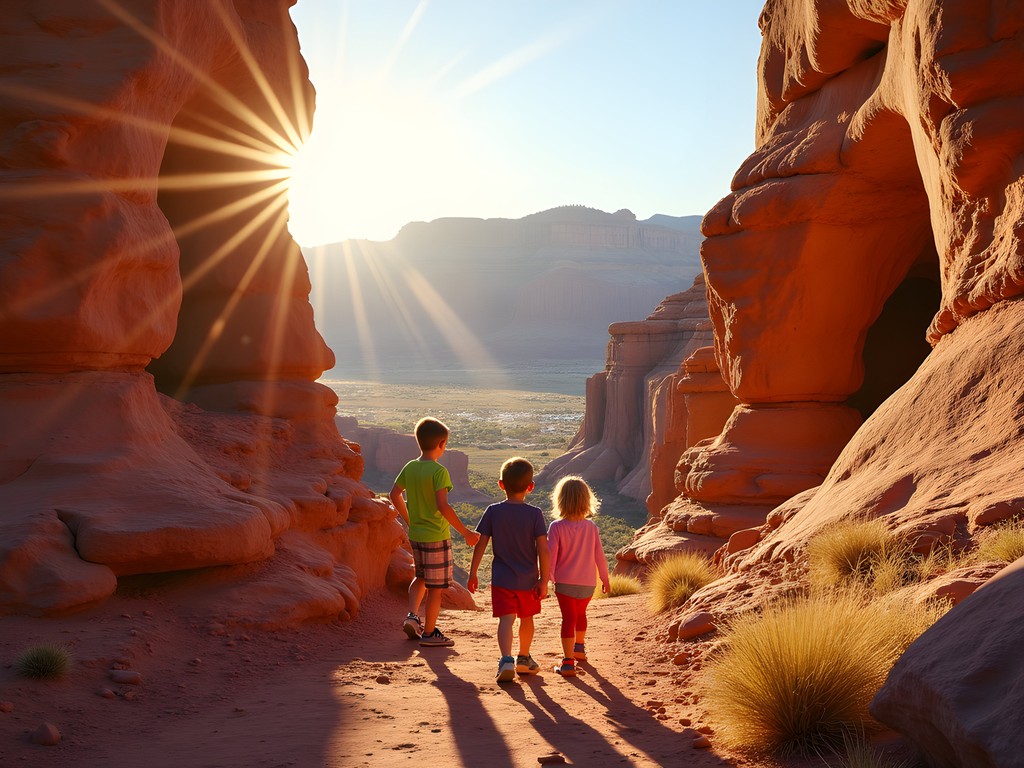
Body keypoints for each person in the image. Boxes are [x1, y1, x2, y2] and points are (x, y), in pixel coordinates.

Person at [390, 417, 480, 647]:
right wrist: (465, 532)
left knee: (420, 577)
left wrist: (409, 519)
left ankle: (412, 615)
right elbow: (443, 506)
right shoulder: (439, 471)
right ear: (441, 444)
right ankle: (429, 633)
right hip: (436, 537)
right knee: (436, 589)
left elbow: (394, 494)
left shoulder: (410, 467)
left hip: (416, 534)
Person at [467, 457, 549, 683]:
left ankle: (505, 660)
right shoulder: (535, 514)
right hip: (529, 580)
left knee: (506, 620)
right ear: (530, 487)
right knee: (527, 618)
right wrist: (544, 579)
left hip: (502, 579)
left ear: (501, 484)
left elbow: (481, 544)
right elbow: (543, 549)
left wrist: (473, 573)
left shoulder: (493, 511)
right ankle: (523, 657)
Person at [546, 475, 610, 677]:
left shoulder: (557, 527)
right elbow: (599, 555)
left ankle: (567, 662)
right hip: (587, 583)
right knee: (580, 614)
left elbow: (551, 555)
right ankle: (579, 648)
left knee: (568, 619)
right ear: (586, 500)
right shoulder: (591, 527)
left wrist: (547, 578)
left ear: (561, 500)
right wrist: (605, 579)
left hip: (565, 582)